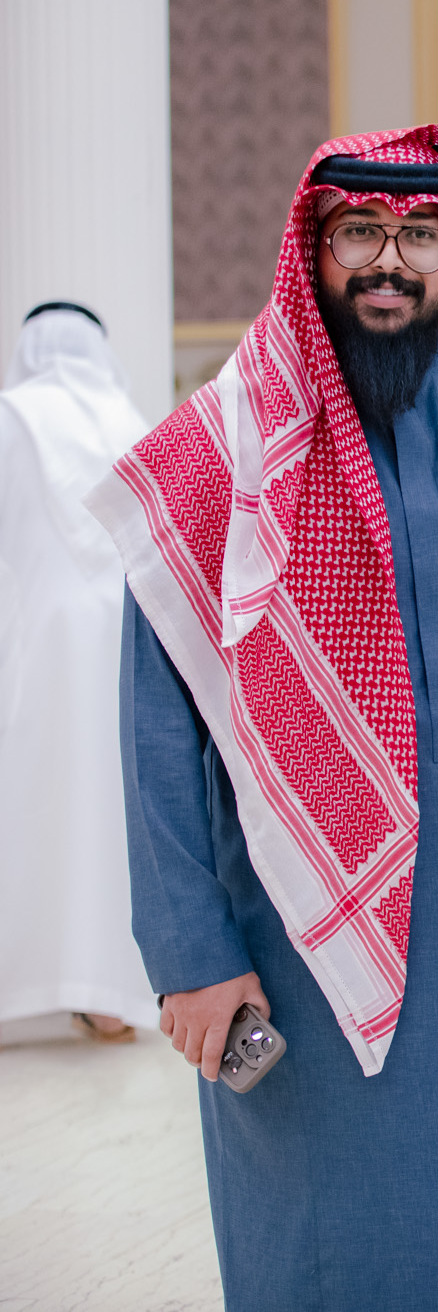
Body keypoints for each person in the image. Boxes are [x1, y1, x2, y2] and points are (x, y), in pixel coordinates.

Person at [92, 127, 438, 1309]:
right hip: (297, 944)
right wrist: (192, 955)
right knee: (330, 1252)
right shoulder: (216, 450)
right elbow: (158, 730)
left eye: (419, 236)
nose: (389, 261)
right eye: (359, 232)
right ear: (313, 247)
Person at [0, 302, 154, 1042]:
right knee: (105, 808)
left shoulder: (13, 416)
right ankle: (105, 995)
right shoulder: (134, 425)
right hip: (122, 638)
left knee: (33, 798)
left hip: (36, 634)